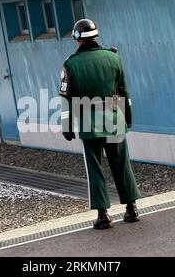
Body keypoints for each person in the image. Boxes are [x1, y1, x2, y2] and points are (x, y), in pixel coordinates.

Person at [59, 19, 141, 230]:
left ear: (77, 38)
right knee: (121, 163)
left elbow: (66, 100)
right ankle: (131, 208)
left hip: (89, 121)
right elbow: (124, 92)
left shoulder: (70, 64)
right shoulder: (113, 58)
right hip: (114, 118)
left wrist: (67, 127)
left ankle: (103, 215)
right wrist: (127, 117)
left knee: (95, 168)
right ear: (96, 35)